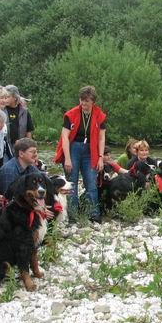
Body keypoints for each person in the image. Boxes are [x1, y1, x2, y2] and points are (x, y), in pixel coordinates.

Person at [53, 86, 106, 223]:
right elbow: (65, 137)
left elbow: (101, 138)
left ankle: (94, 214)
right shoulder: (71, 114)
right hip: (73, 148)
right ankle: (73, 216)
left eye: (87, 101)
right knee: (72, 183)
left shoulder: (100, 115)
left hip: (90, 150)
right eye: (82, 100)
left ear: (93, 101)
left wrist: (100, 157)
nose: (83, 104)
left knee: (91, 183)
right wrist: (68, 159)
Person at [4, 85, 35, 160]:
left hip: (20, 146)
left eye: (7, 97)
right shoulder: (1, 110)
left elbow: (28, 131)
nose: (5, 99)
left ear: (15, 97)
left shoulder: (24, 112)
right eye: (3, 97)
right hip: (4, 147)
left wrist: (30, 147)